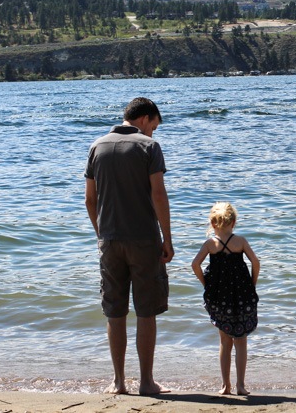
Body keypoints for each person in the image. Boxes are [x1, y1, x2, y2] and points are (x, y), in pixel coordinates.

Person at [84, 97, 174, 395]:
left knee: (115, 311)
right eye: (154, 127)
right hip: (144, 240)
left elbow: (89, 199)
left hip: (109, 241)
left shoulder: (97, 146)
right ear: (145, 119)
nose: (153, 133)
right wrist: (167, 239)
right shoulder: (148, 147)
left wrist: (102, 234)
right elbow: (159, 196)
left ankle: (119, 382)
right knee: (145, 312)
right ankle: (147, 382)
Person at [192, 202, 260, 396]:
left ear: (212, 223)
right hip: (242, 296)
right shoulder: (240, 241)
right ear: (234, 222)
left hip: (219, 297)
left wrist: (206, 284)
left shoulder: (210, 244)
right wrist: (252, 284)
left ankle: (225, 386)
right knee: (241, 341)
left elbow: (195, 264)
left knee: (224, 341)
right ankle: (241, 385)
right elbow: (255, 262)